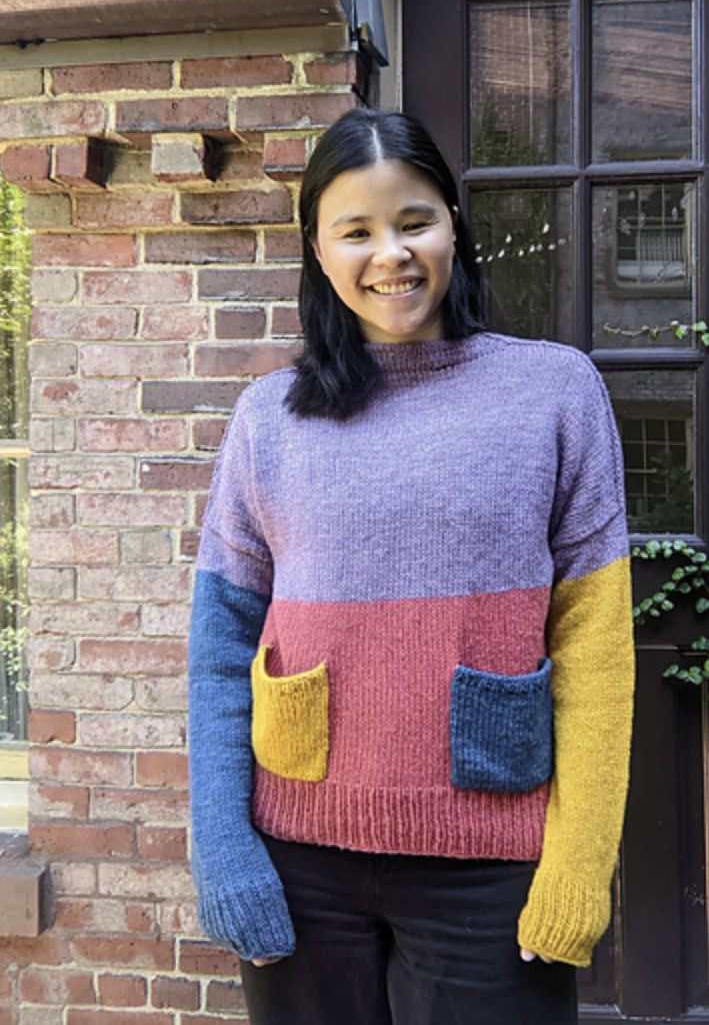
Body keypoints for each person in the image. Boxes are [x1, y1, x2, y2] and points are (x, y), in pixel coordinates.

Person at [187, 106, 635, 1025]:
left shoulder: (554, 392)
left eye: (414, 221)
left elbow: (594, 648)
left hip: (492, 867)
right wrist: (224, 851)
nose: (391, 253)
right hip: (300, 862)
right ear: (318, 249)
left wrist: (580, 866)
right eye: (356, 231)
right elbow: (221, 645)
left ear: (453, 227)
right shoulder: (268, 417)